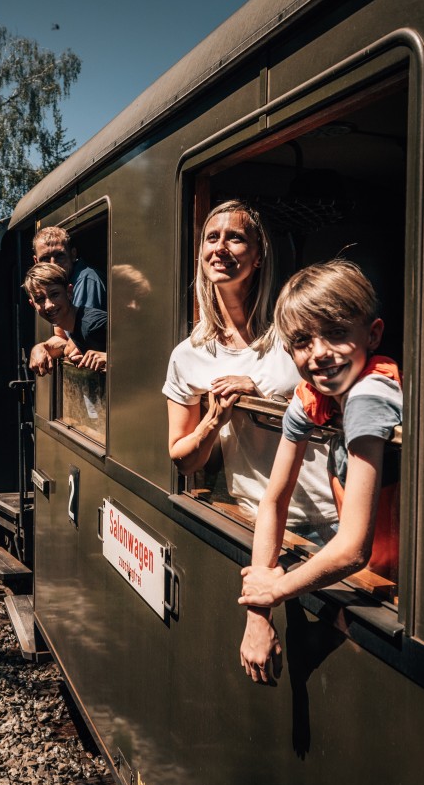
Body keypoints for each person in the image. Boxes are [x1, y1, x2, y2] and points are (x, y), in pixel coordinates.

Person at [237, 259, 402, 685]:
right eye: (302, 341)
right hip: (378, 571)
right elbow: (273, 499)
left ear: (374, 334)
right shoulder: (312, 396)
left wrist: (273, 589)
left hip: (401, 583)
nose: (320, 353)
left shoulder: (369, 395)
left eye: (336, 332)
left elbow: (351, 550)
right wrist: (258, 610)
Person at [164, 200, 335, 530]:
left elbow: (339, 406)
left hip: (332, 513)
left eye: (236, 238)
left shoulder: (294, 333)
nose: (220, 247)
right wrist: (214, 420)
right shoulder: (187, 355)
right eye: (212, 238)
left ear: (258, 257)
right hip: (259, 518)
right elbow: (183, 461)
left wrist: (259, 399)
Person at [28, 227, 106, 376]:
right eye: (45, 259)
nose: (53, 264)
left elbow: (77, 345)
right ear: (36, 261)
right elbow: (62, 336)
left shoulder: (85, 280)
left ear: (73, 254)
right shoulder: (58, 286)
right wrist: (40, 348)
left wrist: (63, 347)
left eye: (60, 256)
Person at [22, 262, 107, 372]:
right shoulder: (75, 328)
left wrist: (110, 358)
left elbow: (136, 346)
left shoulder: (91, 325)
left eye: (55, 294)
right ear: (33, 305)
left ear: (69, 292)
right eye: (40, 300)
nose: (49, 305)